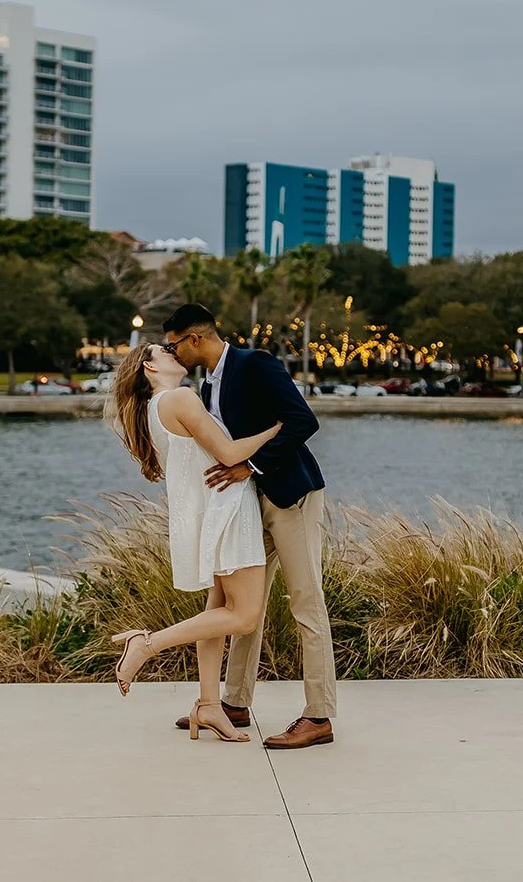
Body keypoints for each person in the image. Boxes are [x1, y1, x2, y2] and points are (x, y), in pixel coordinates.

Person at [162, 303, 336, 750]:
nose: (172, 352)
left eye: (174, 344)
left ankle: (318, 716)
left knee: (306, 601)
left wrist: (252, 466)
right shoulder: (205, 386)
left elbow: (303, 421)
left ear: (194, 339)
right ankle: (235, 703)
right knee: (245, 603)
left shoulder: (255, 364)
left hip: (291, 497)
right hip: (248, 507)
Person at [106, 341, 280, 742]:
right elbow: (230, 453)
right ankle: (146, 644)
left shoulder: (154, 409)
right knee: (246, 616)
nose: (174, 353)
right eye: (164, 351)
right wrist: (276, 428)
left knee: (219, 609)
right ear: (149, 366)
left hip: (209, 516)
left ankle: (208, 705)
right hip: (229, 512)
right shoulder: (180, 399)